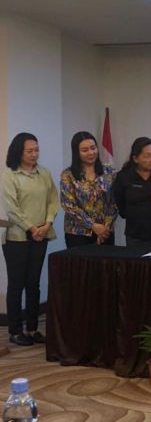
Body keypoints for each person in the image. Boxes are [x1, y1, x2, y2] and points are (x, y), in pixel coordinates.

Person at [1, 133, 59, 346]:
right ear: (19, 152)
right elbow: (12, 208)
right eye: (29, 151)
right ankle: (15, 330)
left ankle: (33, 328)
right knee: (17, 284)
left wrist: (47, 224)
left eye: (36, 150)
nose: (34, 154)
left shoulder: (44, 173)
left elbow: (53, 200)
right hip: (17, 238)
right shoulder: (9, 175)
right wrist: (32, 228)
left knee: (33, 283)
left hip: (41, 235)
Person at [60, 131, 117, 247]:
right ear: (77, 153)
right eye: (85, 150)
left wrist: (105, 228)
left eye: (93, 148)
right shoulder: (68, 175)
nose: (91, 152)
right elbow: (69, 206)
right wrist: (93, 226)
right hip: (78, 233)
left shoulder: (109, 171)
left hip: (105, 232)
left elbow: (115, 202)